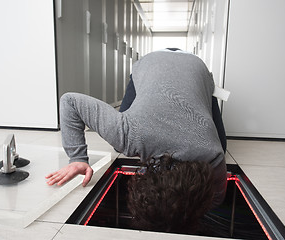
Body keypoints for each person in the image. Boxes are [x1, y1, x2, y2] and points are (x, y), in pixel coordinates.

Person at [46, 49, 227, 233]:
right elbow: (70, 102)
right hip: (168, 62)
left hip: (193, 66)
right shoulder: (128, 134)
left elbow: (218, 197)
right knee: (119, 145)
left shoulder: (212, 153)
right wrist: (78, 159)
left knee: (221, 142)